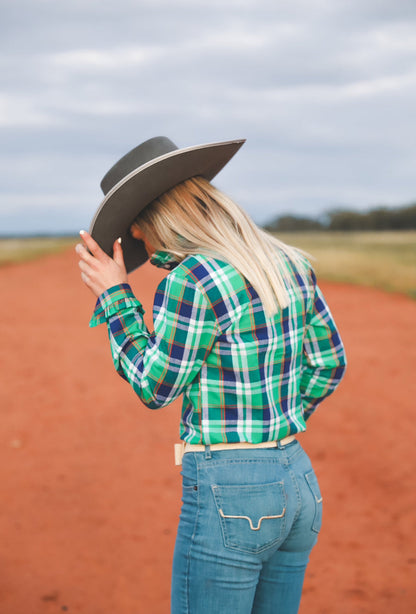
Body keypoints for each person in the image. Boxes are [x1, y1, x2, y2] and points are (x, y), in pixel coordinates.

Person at [76, 136, 347, 614]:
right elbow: (328, 363)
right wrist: (273, 426)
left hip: (232, 490)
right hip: (298, 479)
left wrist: (116, 297)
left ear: (153, 219)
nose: (138, 238)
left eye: (137, 227)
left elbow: (156, 387)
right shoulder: (290, 262)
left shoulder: (191, 280)